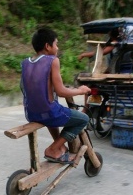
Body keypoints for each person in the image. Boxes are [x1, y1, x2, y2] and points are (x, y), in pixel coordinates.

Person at [20, 28, 91, 164]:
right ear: (47, 46)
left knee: (51, 109)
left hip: (31, 114)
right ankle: (53, 149)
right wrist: (80, 90)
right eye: (56, 44)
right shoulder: (53, 60)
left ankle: (60, 146)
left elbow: (25, 87)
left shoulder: (25, 63)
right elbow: (61, 92)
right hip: (49, 113)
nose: (57, 48)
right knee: (83, 119)